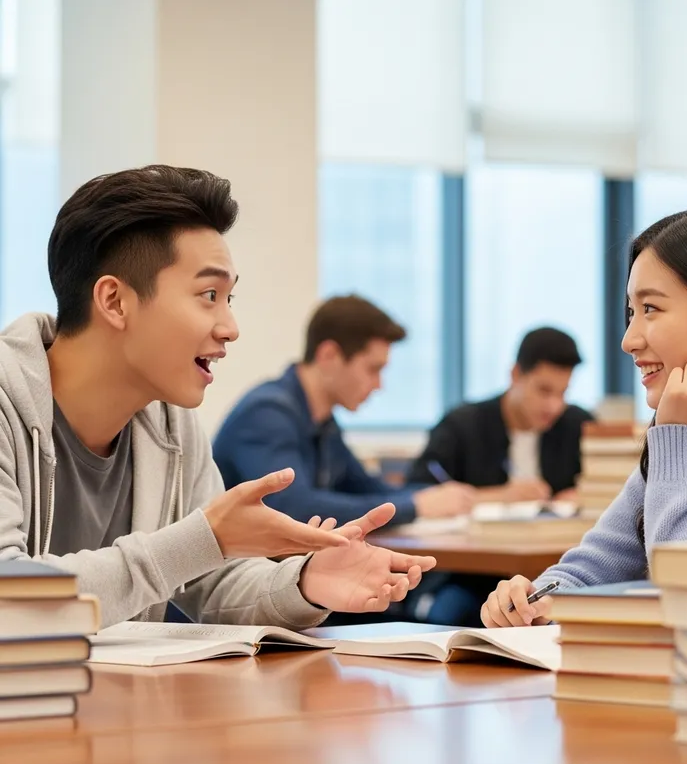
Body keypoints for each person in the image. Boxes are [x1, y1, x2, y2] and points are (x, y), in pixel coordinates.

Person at [0, 165, 436, 630]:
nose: (230, 328)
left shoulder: (171, 426)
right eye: (209, 294)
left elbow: (212, 582)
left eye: (230, 299)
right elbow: (10, 598)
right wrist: (200, 539)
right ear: (114, 301)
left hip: (120, 699)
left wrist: (305, 582)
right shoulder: (9, 403)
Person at [482, 206, 687, 628]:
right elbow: (586, 573)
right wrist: (531, 603)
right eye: (632, 313)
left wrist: (676, 434)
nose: (629, 340)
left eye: (651, 308)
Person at [213, 295, 476, 525]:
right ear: (329, 356)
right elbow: (293, 509)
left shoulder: (323, 421)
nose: (379, 385)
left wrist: (433, 498)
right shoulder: (266, 415)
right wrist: (416, 506)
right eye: (373, 369)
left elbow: (365, 489)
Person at [408, 327, 593, 504]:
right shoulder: (461, 426)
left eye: (563, 393)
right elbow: (417, 493)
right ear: (515, 375)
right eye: (544, 391)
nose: (554, 406)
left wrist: (585, 496)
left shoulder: (579, 425)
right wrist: (500, 496)